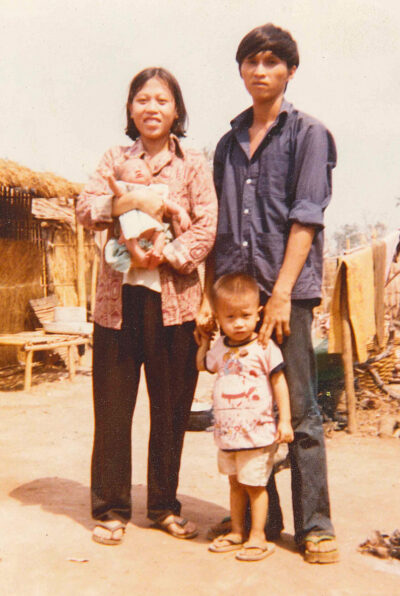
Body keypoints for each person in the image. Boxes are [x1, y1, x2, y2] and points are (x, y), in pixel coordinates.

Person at [196, 23, 339, 563]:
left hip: (286, 297)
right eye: (252, 63)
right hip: (235, 297)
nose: (261, 72)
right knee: (248, 407)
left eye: (272, 63)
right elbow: (218, 227)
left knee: (297, 410)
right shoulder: (228, 144)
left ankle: (315, 527)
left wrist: (279, 297)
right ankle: (263, 517)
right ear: (241, 71)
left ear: (290, 71)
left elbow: (306, 220)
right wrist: (212, 299)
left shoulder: (309, 134)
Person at [77, 67, 217, 545]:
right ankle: (111, 508)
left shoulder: (192, 161)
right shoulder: (114, 158)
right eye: (142, 99)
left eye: (161, 100)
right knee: (113, 409)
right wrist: (130, 202)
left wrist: (168, 254)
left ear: (176, 109)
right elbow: (84, 208)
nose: (151, 108)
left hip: (175, 305)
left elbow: (206, 224)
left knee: (172, 409)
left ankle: (163, 506)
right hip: (117, 304)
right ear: (130, 109)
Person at [197, 273, 293, 562]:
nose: (238, 323)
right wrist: (203, 342)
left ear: (258, 313)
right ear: (218, 318)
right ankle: (237, 531)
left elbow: (279, 384)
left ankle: (258, 536)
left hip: (257, 433)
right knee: (235, 485)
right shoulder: (220, 349)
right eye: (230, 317)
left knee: (255, 486)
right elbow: (204, 365)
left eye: (245, 315)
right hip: (228, 436)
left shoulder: (264, 347)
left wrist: (285, 420)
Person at [104, 157, 192, 272]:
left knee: (160, 235)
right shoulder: (128, 190)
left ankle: (156, 252)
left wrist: (181, 212)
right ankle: (140, 256)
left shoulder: (154, 190)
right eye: (130, 171)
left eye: (141, 168)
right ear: (122, 180)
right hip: (132, 229)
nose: (137, 171)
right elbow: (118, 192)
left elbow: (166, 203)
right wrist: (111, 181)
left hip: (153, 228)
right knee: (129, 236)